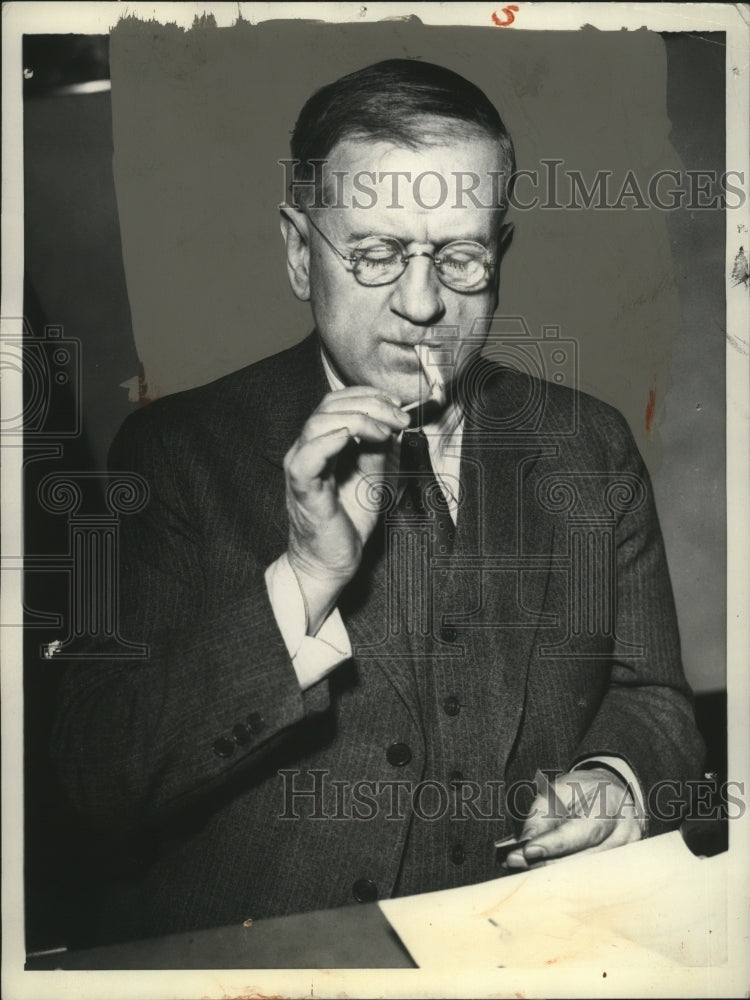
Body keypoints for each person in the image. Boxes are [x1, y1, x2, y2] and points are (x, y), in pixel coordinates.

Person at [52, 59, 704, 943]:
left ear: (500, 253)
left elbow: (654, 696)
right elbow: (91, 788)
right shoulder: (172, 456)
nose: (422, 304)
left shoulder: (589, 446)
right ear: (296, 251)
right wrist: (306, 578)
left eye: (460, 256)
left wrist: (614, 778)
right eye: (376, 253)